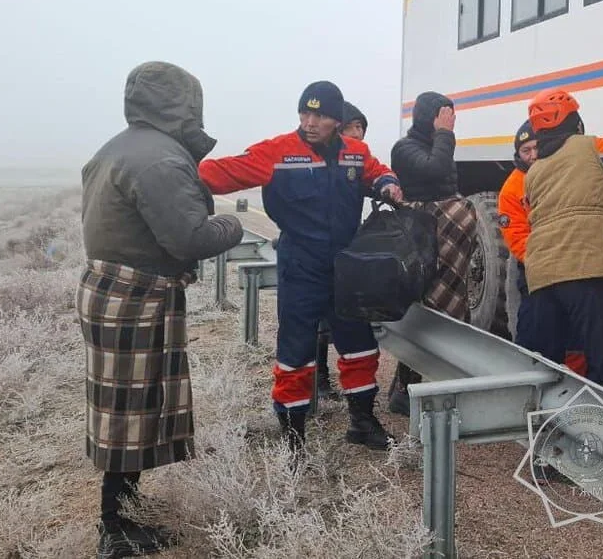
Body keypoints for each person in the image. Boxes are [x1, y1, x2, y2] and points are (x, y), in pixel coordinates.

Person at [79, 61, 244, 558]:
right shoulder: (161, 160)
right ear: (183, 104)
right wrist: (234, 225)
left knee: (124, 408)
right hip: (137, 298)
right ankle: (116, 527)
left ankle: (124, 511)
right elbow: (188, 237)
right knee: (130, 410)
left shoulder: (117, 147)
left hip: (111, 289)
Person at [198, 82, 402, 453]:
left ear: (336, 120)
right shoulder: (276, 152)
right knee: (296, 349)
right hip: (301, 264)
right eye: (304, 113)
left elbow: (378, 172)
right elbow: (219, 173)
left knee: (359, 346)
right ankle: (293, 437)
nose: (310, 122)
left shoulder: (355, 153)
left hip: (345, 265)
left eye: (320, 115)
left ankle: (362, 423)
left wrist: (388, 183)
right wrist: (175, 170)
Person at [498, 119, 603, 374]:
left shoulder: (572, 164)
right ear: (517, 154)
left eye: (535, 148)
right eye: (525, 151)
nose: (532, 155)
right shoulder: (512, 187)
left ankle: (578, 380)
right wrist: (546, 256)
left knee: (582, 333)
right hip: (538, 266)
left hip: (571, 259)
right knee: (535, 332)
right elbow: (516, 235)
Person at [520, 88, 603, 390]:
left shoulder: (533, 171)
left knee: (548, 364)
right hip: (587, 266)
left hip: (542, 274)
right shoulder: (593, 147)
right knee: (602, 362)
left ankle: (550, 426)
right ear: (574, 122)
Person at [386, 91, 478, 415]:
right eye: (445, 114)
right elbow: (436, 171)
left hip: (450, 244)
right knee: (423, 306)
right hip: (425, 237)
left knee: (452, 306)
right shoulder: (405, 148)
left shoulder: (437, 143)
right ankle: (405, 389)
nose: (451, 121)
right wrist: (445, 135)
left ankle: (437, 387)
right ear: (431, 117)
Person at [313, 100, 371, 402]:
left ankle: (352, 396)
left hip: (344, 250)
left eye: (362, 126)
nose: (359, 132)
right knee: (320, 318)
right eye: (353, 126)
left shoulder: (357, 159)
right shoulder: (318, 159)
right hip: (314, 252)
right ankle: (319, 378)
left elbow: (376, 178)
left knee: (340, 315)